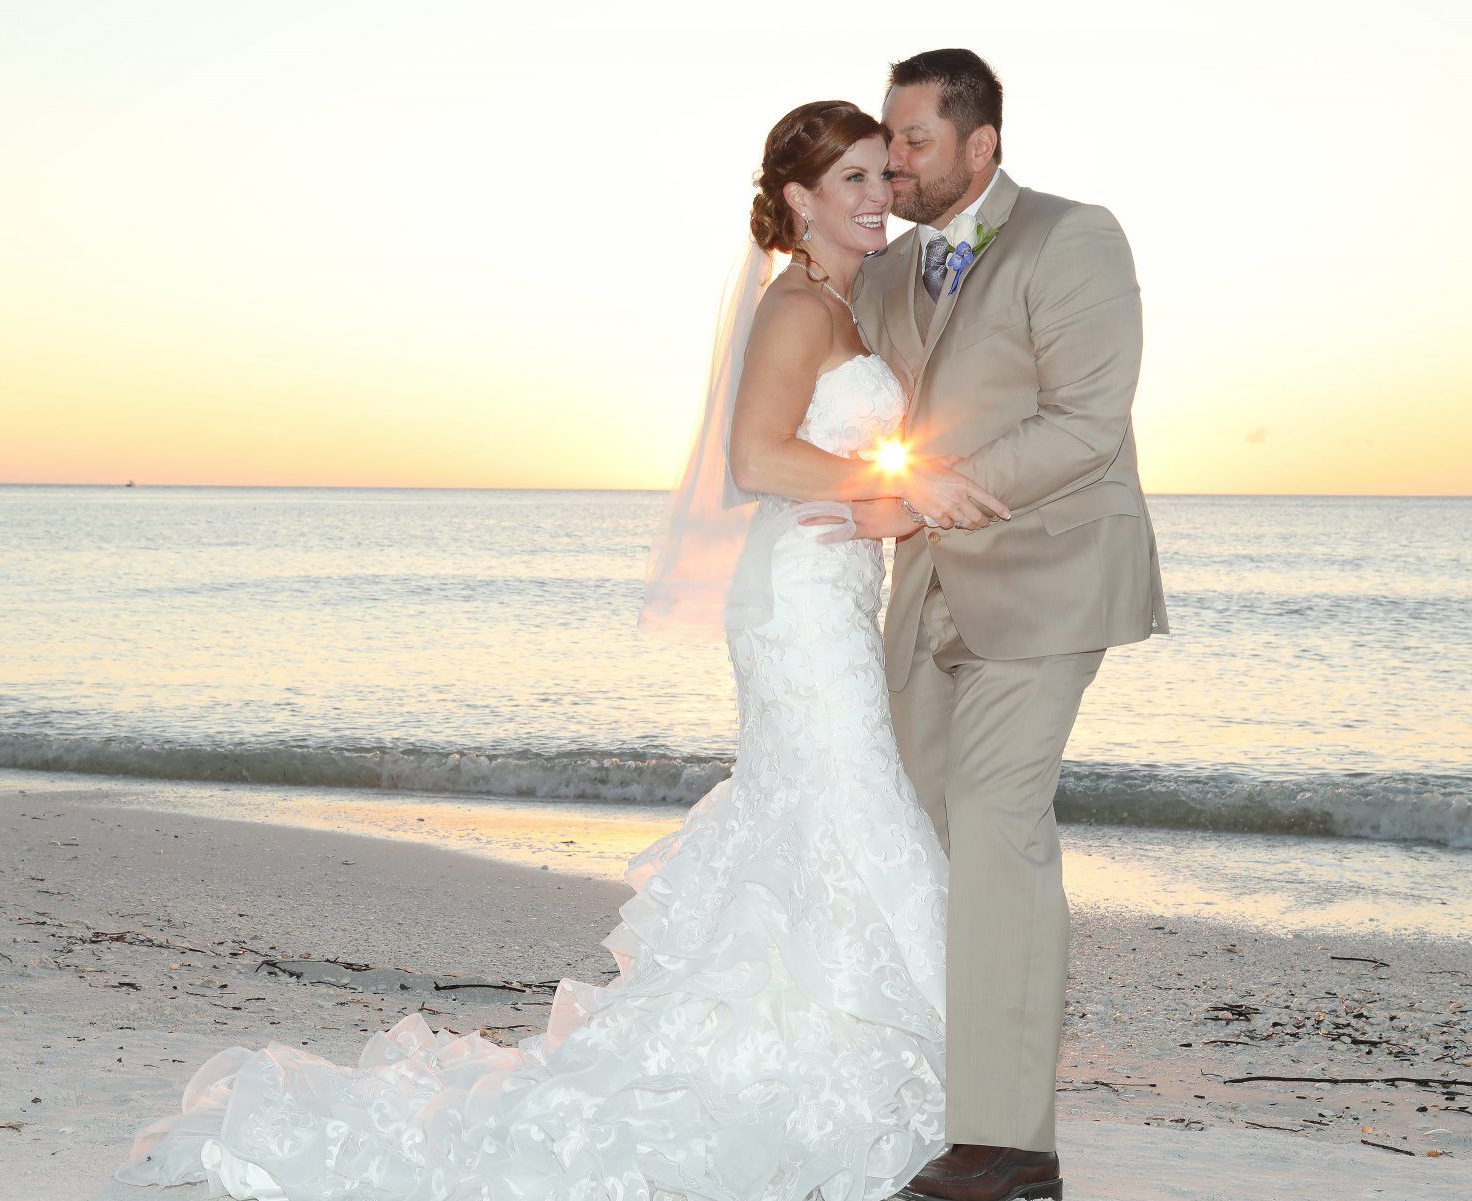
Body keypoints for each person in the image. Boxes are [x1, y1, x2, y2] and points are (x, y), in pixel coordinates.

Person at [114, 99, 1001, 1201]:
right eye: (854, 181)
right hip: (797, 608)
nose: (878, 198)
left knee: (826, 807)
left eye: (883, 175)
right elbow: (758, 461)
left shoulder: (837, 303)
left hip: (825, 585)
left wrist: (894, 504)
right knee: (845, 804)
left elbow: (827, 471)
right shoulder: (795, 311)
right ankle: (880, 1060)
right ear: (798, 202)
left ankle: (866, 1050)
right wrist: (902, 480)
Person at [852, 49, 1170, 1201]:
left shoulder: (1074, 238)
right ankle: (947, 1089)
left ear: (980, 145)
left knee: (995, 815)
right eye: (887, 138)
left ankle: (1008, 1145)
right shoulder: (883, 279)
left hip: (1048, 573)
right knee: (933, 828)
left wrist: (929, 484)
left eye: (916, 140)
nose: (894, 158)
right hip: (923, 589)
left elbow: (1089, 419)